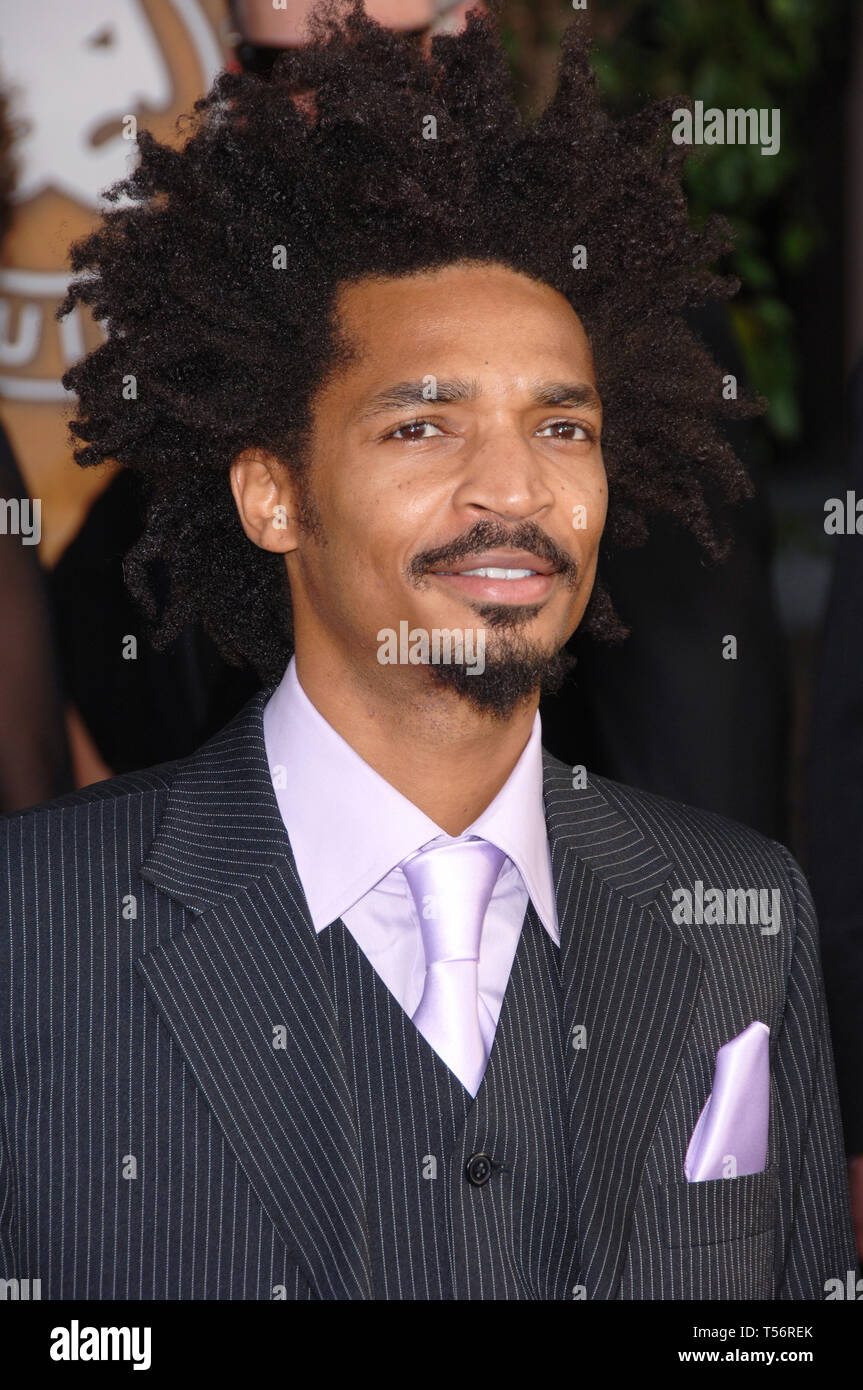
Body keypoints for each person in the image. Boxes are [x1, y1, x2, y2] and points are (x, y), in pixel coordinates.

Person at [0, 3, 854, 1300]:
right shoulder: (37, 930)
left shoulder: (742, 923)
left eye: (563, 428)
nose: (510, 485)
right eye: (421, 429)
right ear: (268, 489)